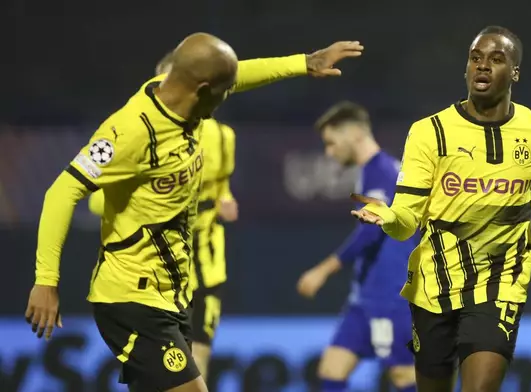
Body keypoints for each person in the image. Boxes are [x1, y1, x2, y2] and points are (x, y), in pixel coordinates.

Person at [25, 32, 363, 392]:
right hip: (132, 298)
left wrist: (303, 63)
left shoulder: (179, 92)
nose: (226, 98)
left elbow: (236, 75)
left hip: (174, 294)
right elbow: (61, 192)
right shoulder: (131, 133)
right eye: (221, 92)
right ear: (202, 89)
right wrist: (46, 280)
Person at [351, 26, 531, 392]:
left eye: (496, 60)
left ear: (515, 73)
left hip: (501, 283)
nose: (482, 66)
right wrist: (389, 218)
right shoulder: (431, 132)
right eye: (476, 58)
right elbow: (407, 221)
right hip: (435, 284)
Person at [87, 52, 240, 382]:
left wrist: (225, 199)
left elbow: (221, 183)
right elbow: (93, 198)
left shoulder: (223, 137)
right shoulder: (137, 137)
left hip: (207, 263)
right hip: (156, 276)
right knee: (168, 368)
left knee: (198, 357)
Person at [297, 102, 417, 392]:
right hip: (365, 298)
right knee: (332, 370)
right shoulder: (374, 171)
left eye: (331, 143)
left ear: (353, 134)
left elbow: (370, 233)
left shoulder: (383, 172)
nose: (329, 152)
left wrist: (322, 271)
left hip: (391, 296)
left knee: (405, 378)